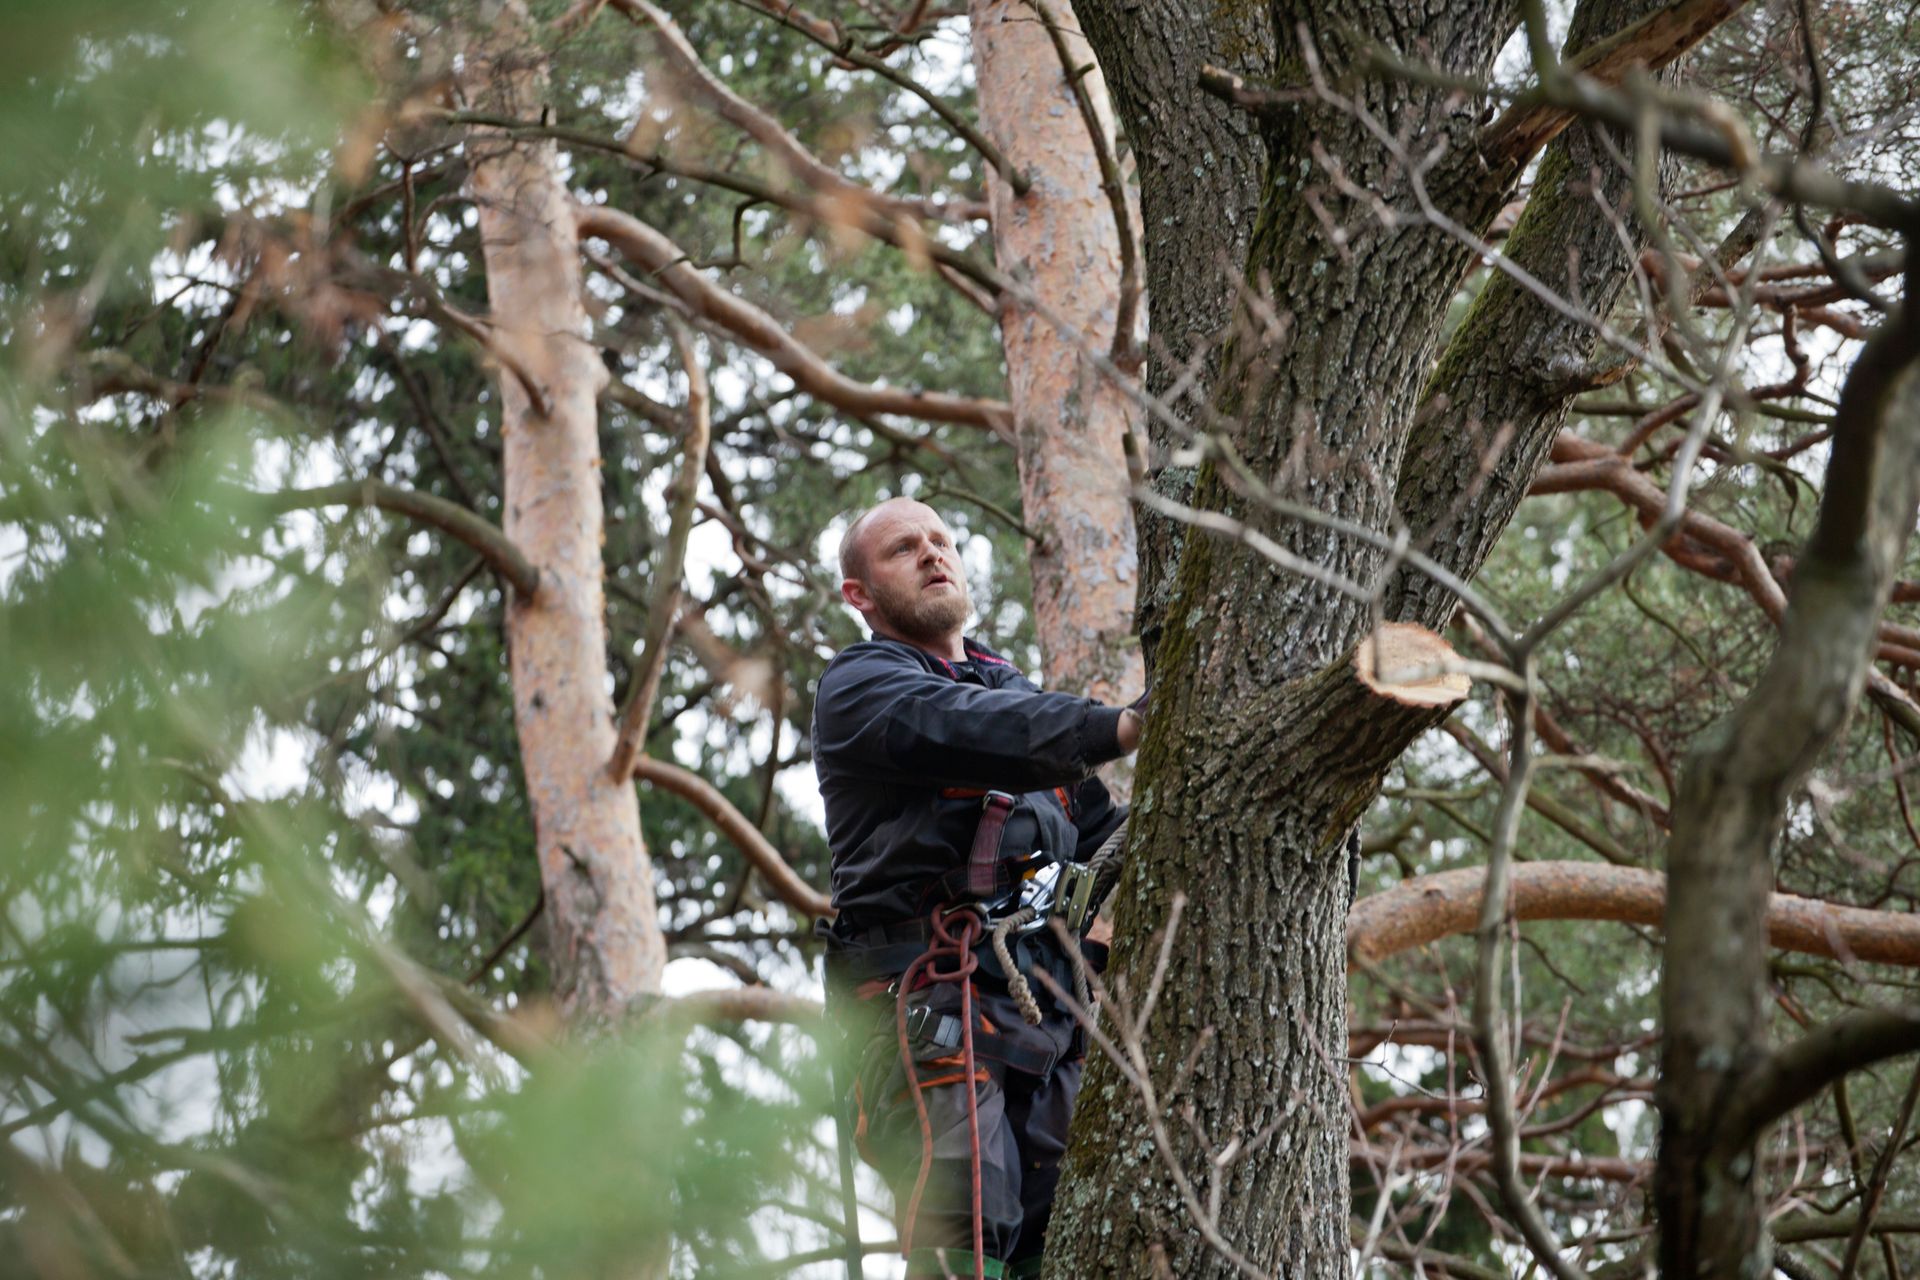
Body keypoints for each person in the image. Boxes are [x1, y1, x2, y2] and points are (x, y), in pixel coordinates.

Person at [813, 497, 1142, 1279]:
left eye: (942, 541)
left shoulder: (1008, 688)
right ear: (859, 593)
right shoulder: (862, 689)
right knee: (967, 1231)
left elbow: (1104, 830)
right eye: (904, 548)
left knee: (1068, 1246)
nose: (933, 555)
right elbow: (967, 728)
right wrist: (1119, 728)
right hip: (932, 1012)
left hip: (1045, 1028)